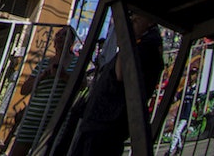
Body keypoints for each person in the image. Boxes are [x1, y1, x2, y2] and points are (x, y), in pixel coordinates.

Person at [64, 12, 164, 156]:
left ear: (150, 21)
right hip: (101, 121)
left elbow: (121, 74)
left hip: (107, 123)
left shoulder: (147, 46)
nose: (132, 20)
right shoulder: (141, 43)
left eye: (137, 18)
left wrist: (125, 40)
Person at [10, 26, 78, 156]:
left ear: (71, 42)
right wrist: (43, 75)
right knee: (19, 150)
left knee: (49, 150)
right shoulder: (44, 63)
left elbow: (82, 85)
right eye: (58, 35)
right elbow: (24, 89)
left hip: (57, 118)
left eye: (64, 35)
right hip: (34, 115)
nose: (60, 38)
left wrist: (64, 76)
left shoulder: (77, 62)